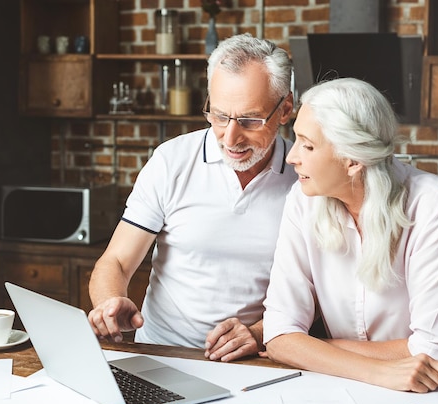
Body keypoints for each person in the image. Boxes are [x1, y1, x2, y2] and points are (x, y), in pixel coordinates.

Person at [262, 78, 438, 392]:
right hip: (367, 385)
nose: (291, 156)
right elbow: (279, 337)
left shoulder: (433, 205)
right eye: (295, 140)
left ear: (352, 160)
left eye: (308, 145)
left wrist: (314, 347)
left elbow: (432, 353)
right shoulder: (301, 201)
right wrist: (377, 371)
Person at [88, 34, 296, 362]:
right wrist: (109, 302)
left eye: (250, 120)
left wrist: (256, 333)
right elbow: (115, 262)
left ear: (285, 110)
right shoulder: (172, 161)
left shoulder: (306, 177)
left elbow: (316, 299)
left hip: (255, 360)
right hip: (160, 353)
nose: (230, 137)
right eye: (219, 115)